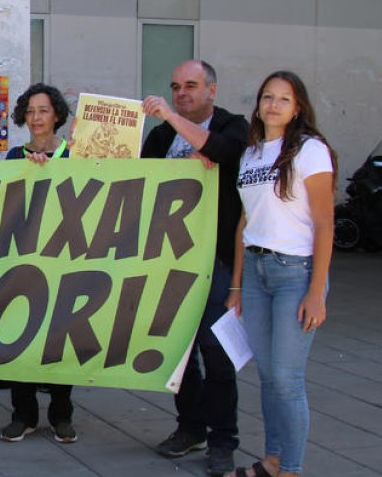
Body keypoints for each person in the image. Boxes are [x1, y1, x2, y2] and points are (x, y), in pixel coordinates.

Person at [226, 71, 335, 477]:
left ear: (298, 107)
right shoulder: (252, 153)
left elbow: (325, 221)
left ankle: (290, 468)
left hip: (295, 272)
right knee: (269, 377)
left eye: (283, 99)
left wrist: (317, 291)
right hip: (256, 272)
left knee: (287, 380)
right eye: (267, 97)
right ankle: (272, 460)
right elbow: (244, 222)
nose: (273, 105)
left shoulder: (310, 150)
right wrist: (236, 285)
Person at [142, 60, 248, 475]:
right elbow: (135, 180)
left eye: (190, 85)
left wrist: (174, 120)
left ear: (212, 90)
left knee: (214, 349)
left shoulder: (232, 125)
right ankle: (190, 427)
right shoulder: (162, 135)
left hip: (216, 259)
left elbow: (223, 152)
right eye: (174, 87)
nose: (181, 93)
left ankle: (223, 439)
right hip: (169, 258)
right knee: (176, 349)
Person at [0, 83, 78, 444]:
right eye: (30, 111)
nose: (36, 118)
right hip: (23, 260)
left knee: (60, 335)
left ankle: (62, 413)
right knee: (21, 334)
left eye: (43, 110)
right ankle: (23, 413)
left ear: (57, 114)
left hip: (63, 259)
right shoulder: (15, 156)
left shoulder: (73, 155)